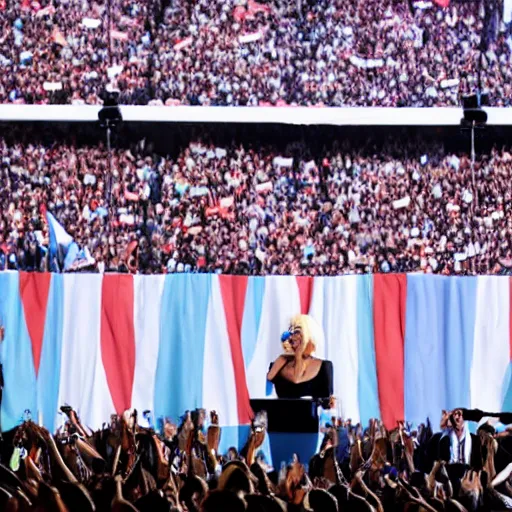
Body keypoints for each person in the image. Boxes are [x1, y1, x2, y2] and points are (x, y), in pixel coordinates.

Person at [267, 315, 333, 400]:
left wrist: (299, 354)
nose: (291, 337)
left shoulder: (324, 367)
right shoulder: (279, 363)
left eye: (297, 332)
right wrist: (294, 356)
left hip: (311, 413)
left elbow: (327, 404)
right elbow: (295, 378)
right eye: (290, 332)